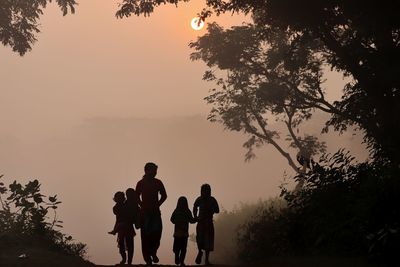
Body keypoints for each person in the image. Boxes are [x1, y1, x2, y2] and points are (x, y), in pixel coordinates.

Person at [136, 162, 167, 266]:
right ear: (146, 171)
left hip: (155, 213)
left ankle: (153, 252)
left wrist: (157, 204)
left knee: (157, 234)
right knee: (145, 237)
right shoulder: (141, 183)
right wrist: (142, 206)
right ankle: (148, 259)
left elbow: (164, 195)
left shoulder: (158, 182)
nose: (155, 173)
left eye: (155, 171)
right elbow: (136, 196)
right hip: (145, 214)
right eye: (153, 171)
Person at [193, 184, 219, 266]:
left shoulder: (212, 200)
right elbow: (195, 206)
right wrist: (195, 216)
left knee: (208, 242)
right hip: (201, 222)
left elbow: (217, 210)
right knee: (199, 239)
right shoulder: (199, 199)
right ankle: (200, 251)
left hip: (208, 222)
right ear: (202, 191)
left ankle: (206, 260)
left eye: (208, 190)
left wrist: (212, 209)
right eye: (204, 190)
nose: (206, 192)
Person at [109, 191, 135, 265]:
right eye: (118, 198)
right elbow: (118, 218)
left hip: (128, 226)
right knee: (121, 245)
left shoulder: (127, 205)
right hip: (121, 227)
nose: (119, 199)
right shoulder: (116, 207)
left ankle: (129, 261)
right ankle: (124, 259)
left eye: (121, 198)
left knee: (129, 245)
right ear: (115, 199)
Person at [170, 196, 196, 266]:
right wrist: (196, 219)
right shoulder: (184, 211)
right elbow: (172, 219)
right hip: (181, 234)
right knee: (180, 249)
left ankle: (180, 260)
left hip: (181, 234)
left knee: (180, 248)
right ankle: (179, 259)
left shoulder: (181, 211)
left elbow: (191, 220)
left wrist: (196, 219)